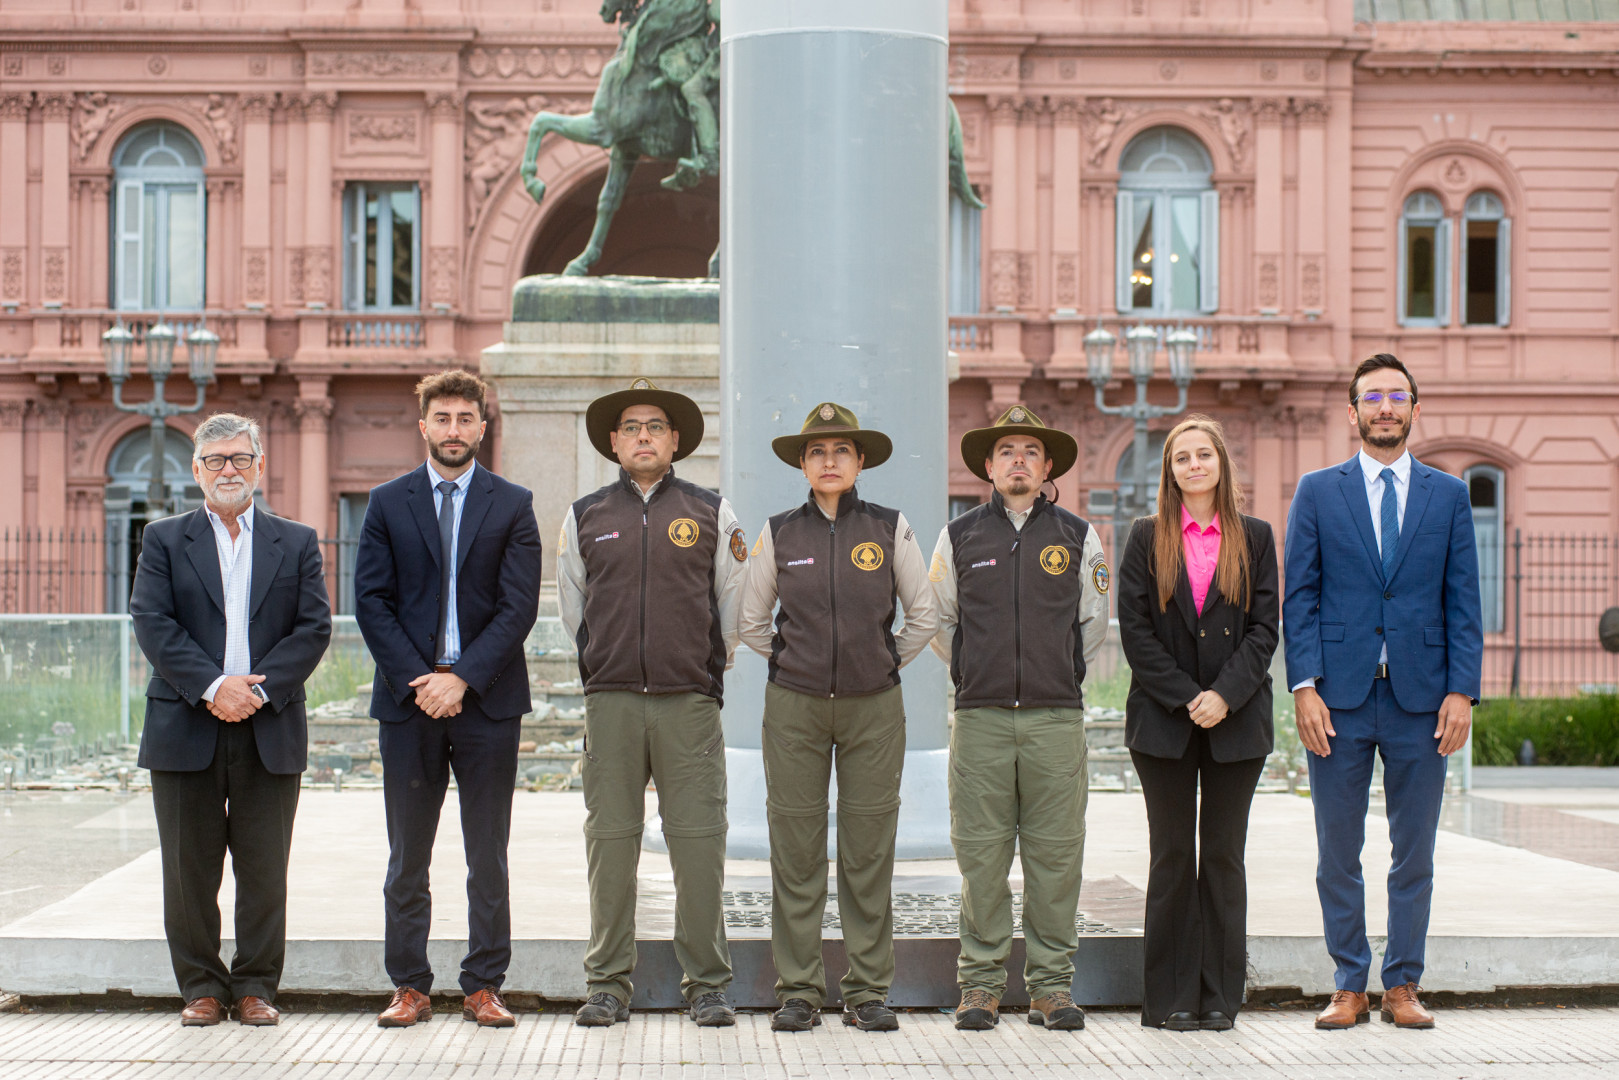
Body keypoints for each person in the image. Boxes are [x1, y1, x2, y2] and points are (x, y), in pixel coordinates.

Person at [1284, 354, 1482, 1030]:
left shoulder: (1448, 495)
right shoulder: (1316, 491)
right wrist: (1302, 686)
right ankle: (1348, 984)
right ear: (1352, 412)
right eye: (1373, 397)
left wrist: (1462, 692)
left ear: (1413, 409)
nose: (1385, 407)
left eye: (1397, 396)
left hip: (1422, 702)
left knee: (1413, 850)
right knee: (1336, 849)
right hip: (1336, 700)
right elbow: (1300, 596)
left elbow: (1463, 602)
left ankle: (1401, 984)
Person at [737, 402, 938, 1033]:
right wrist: (795, 663)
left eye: (841, 452)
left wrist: (879, 663)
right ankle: (798, 990)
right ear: (802, 464)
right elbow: (750, 621)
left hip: (874, 707)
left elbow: (924, 616)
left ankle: (867, 990)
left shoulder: (889, 528)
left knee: (868, 850)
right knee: (795, 849)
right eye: (817, 452)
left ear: (859, 463)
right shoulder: (778, 533)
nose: (829, 462)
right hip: (793, 707)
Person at [354, 370, 542, 1029]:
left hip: (487, 701)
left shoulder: (513, 503)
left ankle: (483, 984)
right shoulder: (386, 502)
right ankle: (409, 985)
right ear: (424, 426)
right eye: (443, 419)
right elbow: (371, 603)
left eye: (466, 418)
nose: (454, 430)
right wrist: (423, 680)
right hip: (409, 705)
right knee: (408, 853)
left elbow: (519, 607)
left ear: (482, 428)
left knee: (486, 851)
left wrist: (461, 679)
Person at [131, 412, 332, 1027]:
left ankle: (254, 988)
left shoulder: (295, 541)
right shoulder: (163, 539)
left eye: (240, 459)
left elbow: (313, 627)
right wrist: (216, 686)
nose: (228, 470)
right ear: (196, 470)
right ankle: (201, 989)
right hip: (186, 723)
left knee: (264, 867)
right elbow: (153, 622)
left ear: (259, 466)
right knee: (188, 870)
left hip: (268, 725)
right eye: (215, 460)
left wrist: (255, 694)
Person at [558, 378, 746, 1028]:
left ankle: (708, 985)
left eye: (655, 427)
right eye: (631, 427)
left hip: (687, 703)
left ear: (674, 441)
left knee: (698, 844)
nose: (642, 436)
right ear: (614, 441)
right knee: (610, 843)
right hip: (610, 703)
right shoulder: (585, 516)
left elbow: (733, 607)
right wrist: (604, 664)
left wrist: (700, 667)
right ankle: (607, 983)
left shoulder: (711, 513)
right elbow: (572, 610)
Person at [929, 405, 1108, 1033]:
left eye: (1030, 451)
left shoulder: (1079, 537)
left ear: (1048, 465)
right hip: (979, 719)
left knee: (1056, 858)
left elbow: (1092, 623)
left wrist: (1055, 672)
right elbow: (940, 623)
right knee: (980, 856)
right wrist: (976, 673)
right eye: (1006, 451)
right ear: (987, 466)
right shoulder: (957, 539)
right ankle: (979, 986)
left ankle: (1051, 989)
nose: (1018, 462)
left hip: (1055, 719)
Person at [1116, 415, 1278, 1033]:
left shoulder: (1255, 538)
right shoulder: (1145, 536)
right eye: (1181, 457)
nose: (1193, 466)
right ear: (1170, 470)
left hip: (1237, 725)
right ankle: (1169, 999)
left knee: (1224, 859)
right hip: (1164, 723)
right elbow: (1135, 630)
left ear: (1220, 463)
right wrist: (1189, 697)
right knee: (1174, 857)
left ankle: (1219, 998)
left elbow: (1266, 630)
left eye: (1202, 455)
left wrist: (1225, 696)